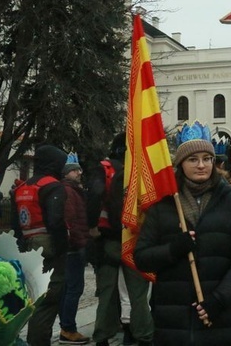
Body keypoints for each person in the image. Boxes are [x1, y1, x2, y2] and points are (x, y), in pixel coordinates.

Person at [134, 121, 231, 345]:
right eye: (193, 159)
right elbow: (142, 258)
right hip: (174, 323)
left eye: (207, 159)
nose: (201, 165)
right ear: (181, 164)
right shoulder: (164, 206)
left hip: (221, 318)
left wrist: (220, 299)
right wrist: (173, 249)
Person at [87, 134, 153, 346]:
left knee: (107, 290)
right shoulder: (139, 172)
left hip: (109, 241)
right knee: (138, 293)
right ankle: (143, 335)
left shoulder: (104, 169)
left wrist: (91, 226)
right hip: (134, 238)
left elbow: (95, 194)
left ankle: (102, 337)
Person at [12, 144, 69, 346]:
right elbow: (56, 221)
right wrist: (64, 247)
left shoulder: (22, 188)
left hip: (28, 249)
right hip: (50, 251)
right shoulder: (53, 187)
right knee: (48, 301)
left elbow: (15, 225)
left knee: (33, 299)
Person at [58, 153, 91, 344]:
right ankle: (68, 328)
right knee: (74, 288)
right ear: (66, 173)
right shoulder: (69, 192)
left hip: (73, 246)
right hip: (74, 247)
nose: (79, 172)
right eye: (74, 170)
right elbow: (70, 219)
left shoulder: (73, 190)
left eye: (78, 169)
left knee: (68, 288)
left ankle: (66, 326)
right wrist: (79, 242)